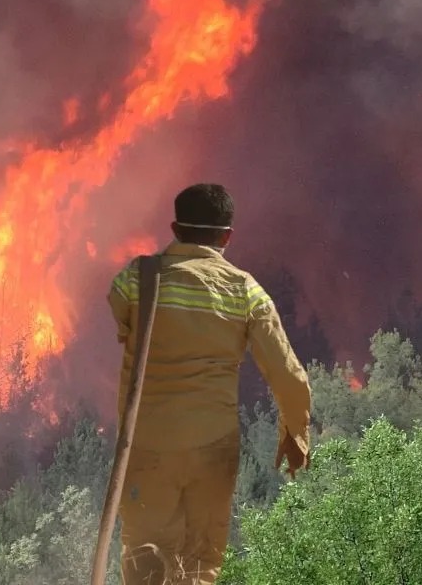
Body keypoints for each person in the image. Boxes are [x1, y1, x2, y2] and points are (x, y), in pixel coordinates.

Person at [107, 183, 312, 585]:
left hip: (147, 441)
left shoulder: (138, 278)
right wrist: (295, 431)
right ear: (227, 236)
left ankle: (148, 563)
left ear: (175, 228)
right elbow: (288, 373)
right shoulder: (245, 291)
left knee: (143, 551)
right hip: (211, 446)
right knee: (200, 561)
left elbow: (119, 313)